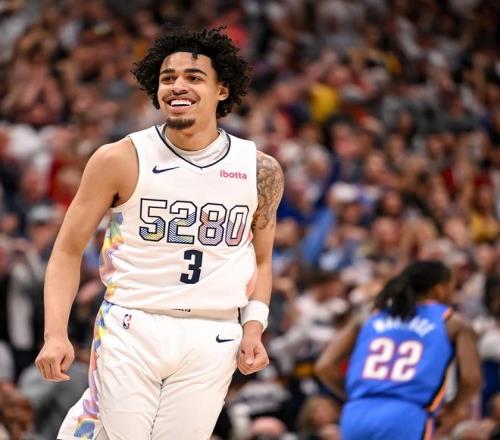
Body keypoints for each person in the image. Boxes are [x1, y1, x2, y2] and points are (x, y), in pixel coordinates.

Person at [35, 26, 284, 440]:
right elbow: (66, 250)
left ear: (222, 89)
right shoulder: (120, 158)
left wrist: (254, 326)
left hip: (215, 333)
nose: (177, 86)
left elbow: (261, 259)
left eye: (193, 77)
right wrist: (55, 334)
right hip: (133, 323)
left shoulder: (259, 168)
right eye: (168, 78)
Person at [315, 260, 482, 440]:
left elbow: (324, 366)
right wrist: (453, 408)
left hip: (356, 414)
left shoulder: (370, 316)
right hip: (406, 414)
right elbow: (471, 379)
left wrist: (355, 395)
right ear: (439, 289)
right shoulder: (451, 322)